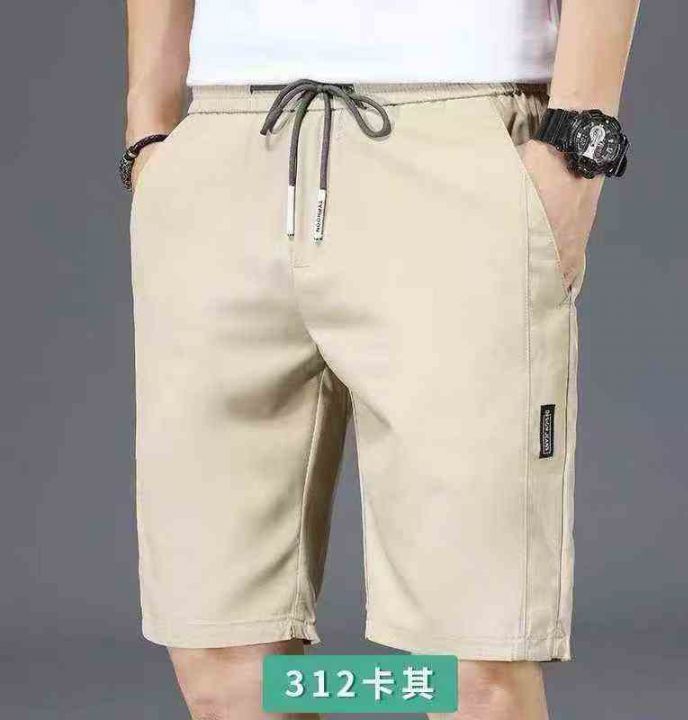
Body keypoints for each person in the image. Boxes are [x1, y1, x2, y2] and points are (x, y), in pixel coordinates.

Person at [122, 1, 640, 717]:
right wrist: (148, 124)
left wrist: (576, 144)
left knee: (472, 673)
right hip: (225, 145)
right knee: (226, 671)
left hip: (456, 129)